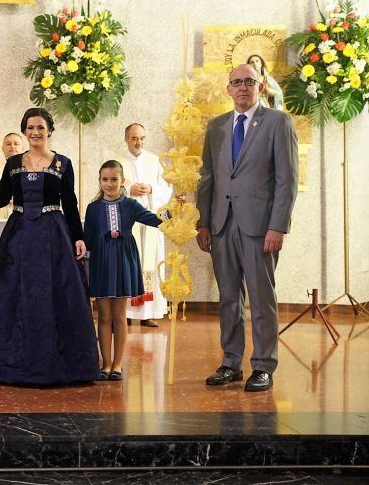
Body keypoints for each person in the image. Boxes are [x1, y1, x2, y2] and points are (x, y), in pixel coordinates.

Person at [0, 108, 99, 385]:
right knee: (10, 293)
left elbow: (70, 203)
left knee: (57, 292)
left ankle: (60, 366)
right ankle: (10, 365)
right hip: (18, 237)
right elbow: (1, 199)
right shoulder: (13, 163)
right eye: (30, 128)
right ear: (24, 131)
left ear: (49, 130)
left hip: (53, 236)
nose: (35, 132)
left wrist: (78, 237)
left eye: (40, 127)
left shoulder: (63, 163)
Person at [196, 63, 298, 393]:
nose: (242, 87)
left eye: (249, 82)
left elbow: (286, 180)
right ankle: (231, 362)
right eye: (236, 82)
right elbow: (208, 177)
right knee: (229, 298)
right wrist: (203, 222)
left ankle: (264, 365)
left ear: (261, 86)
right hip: (221, 224)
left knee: (261, 298)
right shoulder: (217, 126)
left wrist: (278, 226)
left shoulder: (278, 122)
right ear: (228, 88)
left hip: (260, 228)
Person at [86, 160, 163, 381]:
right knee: (103, 315)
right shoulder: (93, 208)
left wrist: (173, 213)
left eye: (114, 179)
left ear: (122, 181)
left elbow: (154, 219)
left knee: (119, 315)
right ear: (99, 181)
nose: (109, 184)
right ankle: (105, 363)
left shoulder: (130, 205)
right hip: (101, 261)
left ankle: (117, 364)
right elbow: (87, 238)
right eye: (105, 179)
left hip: (123, 260)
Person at [115, 123, 172, 328]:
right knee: (127, 265)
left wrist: (151, 188)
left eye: (141, 138)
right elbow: (107, 185)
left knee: (151, 262)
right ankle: (125, 314)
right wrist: (128, 189)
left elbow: (166, 187)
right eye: (134, 138)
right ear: (126, 139)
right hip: (127, 222)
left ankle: (149, 313)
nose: (138, 142)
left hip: (149, 221)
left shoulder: (155, 161)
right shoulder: (117, 161)